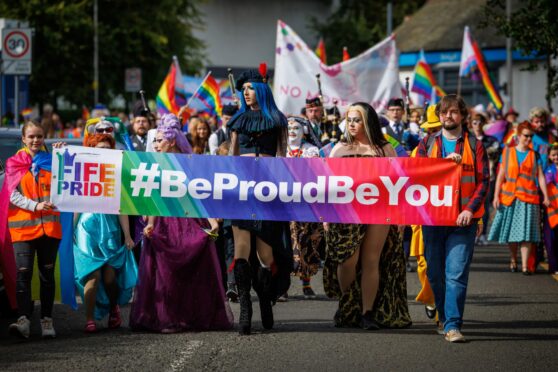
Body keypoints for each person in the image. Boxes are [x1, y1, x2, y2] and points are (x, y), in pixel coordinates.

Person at [129, 114, 232, 333]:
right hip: (164, 224)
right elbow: (156, 197)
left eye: (160, 140)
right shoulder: (155, 164)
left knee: (193, 269)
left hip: (188, 220)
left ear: (173, 140)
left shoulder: (190, 163)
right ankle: (168, 317)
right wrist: (150, 222)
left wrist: (212, 220)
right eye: (154, 141)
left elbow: (198, 193)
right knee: (165, 271)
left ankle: (192, 316)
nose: (156, 145)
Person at [324, 102, 411, 330]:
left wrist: (400, 215)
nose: (352, 124)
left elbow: (397, 184)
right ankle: (348, 303)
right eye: (350, 119)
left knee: (371, 259)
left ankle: (367, 312)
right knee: (347, 260)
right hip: (345, 212)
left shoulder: (385, 148)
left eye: (357, 119)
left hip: (379, 209)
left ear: (368, 121)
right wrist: (325, 215)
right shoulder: (339, 149)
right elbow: (328, 184)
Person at [416, 95, 489, 343]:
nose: (449, 116)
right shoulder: (427, 143)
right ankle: (444, 316)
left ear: (462, 116)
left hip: (462, 222)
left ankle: (453, 325)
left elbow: (483, 181)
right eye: (445, 112)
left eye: (454, 112)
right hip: (433, 221)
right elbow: (416, 176)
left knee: (456, 273)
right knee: (435, 274)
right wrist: (442, 164)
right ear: (439, 115)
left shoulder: (475, 146)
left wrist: (470, 210)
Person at [227, 66, 292, 335]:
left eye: (251, 88)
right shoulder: (237, 120)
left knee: (265, 254)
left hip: (267, 191)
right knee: (241, 250)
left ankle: (265, 298)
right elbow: (231, 156)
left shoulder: (278, 120)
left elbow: (283, 157)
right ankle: (245, 308)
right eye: (243, 90)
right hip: (241, 190)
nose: (246, 93)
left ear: (262, 90)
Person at [73, 134, 138, 333]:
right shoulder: (83, 171)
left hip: (110, 228)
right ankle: (89, 318)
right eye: (100, 147)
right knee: (91, 275)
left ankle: (113, 308)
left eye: (108, 148)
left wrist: (127, 235)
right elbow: (75, 201)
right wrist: (72, 230)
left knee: (110, 277)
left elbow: (122, 208)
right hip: (87, 228)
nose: (104, 151)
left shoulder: (117, 173)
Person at [6, 121, 64, 338]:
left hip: (49, 228)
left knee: (47, 275)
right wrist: (35, 206)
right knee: (23, 274)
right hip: (22, 229)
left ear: (44, 137)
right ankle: (23, 320)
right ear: (23, 138)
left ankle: (47, 321)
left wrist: (63, 157)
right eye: (31, 136)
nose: (35, 140)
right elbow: (12, 194)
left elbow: (68, 185)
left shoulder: (54, 161)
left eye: (39, 136)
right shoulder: (14, 163)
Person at [489, 121, 550, 274]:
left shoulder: (534, 155)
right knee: (512, 233)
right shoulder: (508, 152)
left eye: (531, 136)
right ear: (518, 135)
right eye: (526, 136)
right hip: (510, 198)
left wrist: (546, 196)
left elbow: (541, 177)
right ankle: (513, 259)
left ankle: (524, 266)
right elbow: (501, 175)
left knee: (527, 234)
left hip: (529, 199)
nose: (529, 139)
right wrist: (496, 195)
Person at [410, 106, 442, 322]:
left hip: (446, 214)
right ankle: (430, 298)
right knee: (423, 263)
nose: (433, 133)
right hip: (422, 214)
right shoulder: (417, 150)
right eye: (430, 129)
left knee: (443, 264)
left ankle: (444, 313)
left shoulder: (460, 148)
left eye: (437, 128)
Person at [286, 116, 322, 300]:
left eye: (296, 128)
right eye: (289, 127)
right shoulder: (280, 149)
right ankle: (282, 286)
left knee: (306, 242)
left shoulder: (311, 150)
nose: (292, 130)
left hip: (306, 205)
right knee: (285, 244)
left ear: (304, 131)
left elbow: (314, 171)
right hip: (284, 204)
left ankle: (306, 283)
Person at [469, 112, 499, 245]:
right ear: (471, 124)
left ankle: (482, 234)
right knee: (471, 205)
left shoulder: (491, 140)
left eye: (480, 122)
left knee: (485, 206)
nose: (477, 125)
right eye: (475, 122)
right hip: (469, 177)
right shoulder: (466, 139)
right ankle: (472, 232)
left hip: (487, 177)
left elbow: (496, 155)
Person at [544, 144, 558, 274]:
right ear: (549, 156)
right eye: (554, 155)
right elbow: (546, 185)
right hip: (552, 209)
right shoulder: (548, 171)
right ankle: (554, 266)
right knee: (551, 239)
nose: (556, 157)